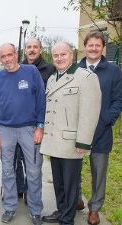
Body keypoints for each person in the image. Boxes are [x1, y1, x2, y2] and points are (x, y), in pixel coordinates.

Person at [41, 42, 101, 225]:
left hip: (71, 142)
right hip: (54, 141)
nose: (59, 58)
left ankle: (68, 219)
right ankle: (61, 211)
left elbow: (90, 112)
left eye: (63, 55)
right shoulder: (52, 78)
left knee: (70, 184)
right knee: (59, 183)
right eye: (56, 55)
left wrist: (83, 142)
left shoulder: (85, 77)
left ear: (72, 55)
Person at [0, 43, 45, 224]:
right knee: (7, 171)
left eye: (9, 55)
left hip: (29, 129)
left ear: (16, 54)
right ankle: (10, 207)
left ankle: (36, 209)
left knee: (34, 170)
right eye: (3, 56)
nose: (7, 59)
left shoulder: (31, 72)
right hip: (6, 130)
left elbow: (41, 99)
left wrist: (40, 126)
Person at [77, 31, 122, 224]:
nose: (93, 48)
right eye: (90, 45)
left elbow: (118, 100)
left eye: (97, 45)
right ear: (85, 46)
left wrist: (105, 121)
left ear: (102, 47)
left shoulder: (114, 72)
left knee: (99, 171)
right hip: (77, 131)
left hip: (101, 131)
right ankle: (77, 199)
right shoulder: (74, 69)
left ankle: (94, 208)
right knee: (73, 168)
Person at [14, 38, 56, 200]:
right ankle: (19, 187)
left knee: (32, 161)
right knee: (15, 159)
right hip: (17, 122)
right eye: (29, 47)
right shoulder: (17, 68)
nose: (32, 50)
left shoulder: (50, 69)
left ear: (40, 49)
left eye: (35, 47)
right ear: (25, 50)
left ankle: (30, 191)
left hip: (38, 123)